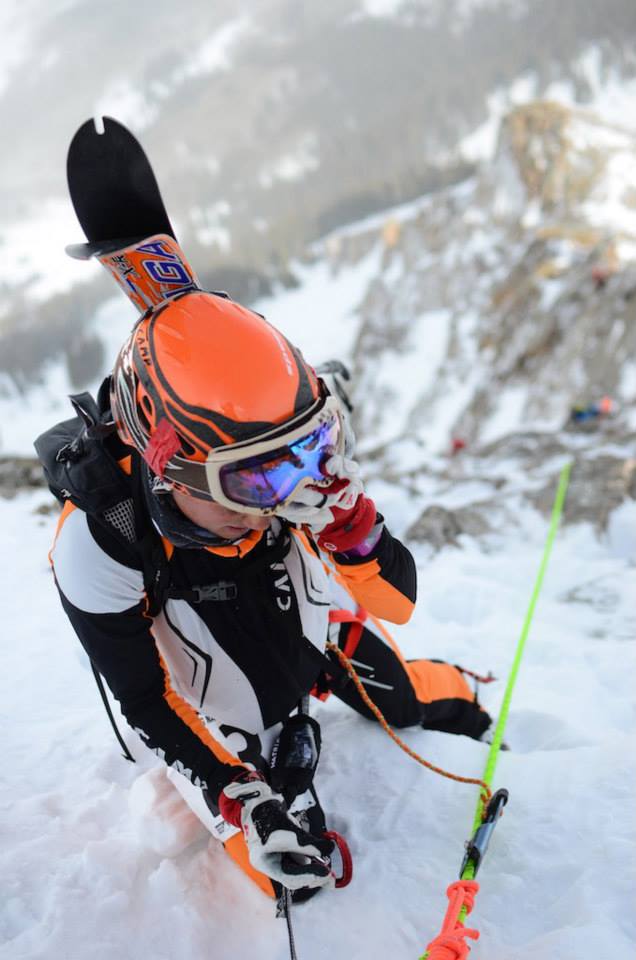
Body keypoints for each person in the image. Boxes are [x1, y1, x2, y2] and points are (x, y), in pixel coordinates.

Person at [48, 290, 491, 901]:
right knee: (288, 880)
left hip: (312, 630)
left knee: (409, 704)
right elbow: (146, 700)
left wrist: (355, 534)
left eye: (290, 468)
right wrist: (239, 797)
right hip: (207, 699)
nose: (267, 505)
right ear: (164, 465)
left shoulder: (286, 467)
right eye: (246, 481)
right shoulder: (102, 538)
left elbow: (397, 604)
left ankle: (464, 691)